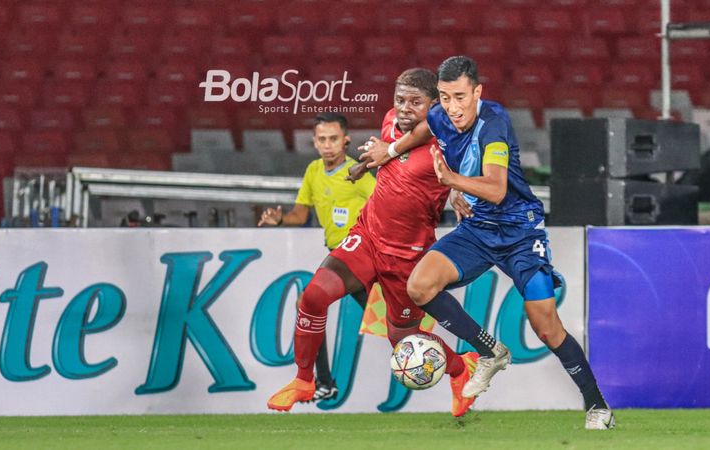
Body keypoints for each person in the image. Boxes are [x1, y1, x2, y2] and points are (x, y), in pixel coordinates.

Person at [358, 56, 615, 430]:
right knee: (420, 285)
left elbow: (495, 189)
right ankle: (490, 351)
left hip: (519, 232)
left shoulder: (493, 124)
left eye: (460, 97)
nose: (453, 107)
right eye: (445, 98)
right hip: (478, 228)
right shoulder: (439, 116)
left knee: (546, 325)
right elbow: (424, 131)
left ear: (477, 92)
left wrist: (452, 183)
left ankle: (597, 405)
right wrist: (391, 151)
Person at [267, 68, 498, 417]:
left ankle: (459, 368)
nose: (404, 108)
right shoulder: (391, 121)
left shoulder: (449, 141)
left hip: (408, 256)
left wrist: (456, 191)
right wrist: (364, 165)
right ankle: (304, 380)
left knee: (403, 339)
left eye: (415, 102)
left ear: (435, 106)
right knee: (313, 296)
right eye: (399, 100)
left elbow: (455, 159)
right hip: (368, 236)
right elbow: (392, 153)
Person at [258, 113, 375, 402]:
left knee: (399, 327)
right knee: (310, 304)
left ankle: (319, 382)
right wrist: (281, 220)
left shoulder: (358, 174)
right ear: (314, 142)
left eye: (333, 138)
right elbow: (301, 213)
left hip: (362, 256)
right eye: (322, 139)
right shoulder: (313, 171)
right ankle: (322, 381)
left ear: (346, 140)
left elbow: (384, 205)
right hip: (340, 259)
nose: (328, 145)